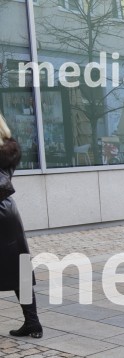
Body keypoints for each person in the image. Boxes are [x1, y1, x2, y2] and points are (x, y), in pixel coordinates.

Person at [0, 112, 42, 339]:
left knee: (18, 268)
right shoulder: (9, 148)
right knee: (19, 268)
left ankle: (33, 322)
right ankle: (33, 322)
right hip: (8, 213)